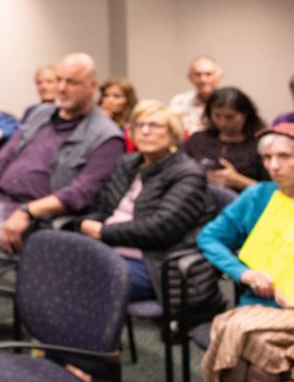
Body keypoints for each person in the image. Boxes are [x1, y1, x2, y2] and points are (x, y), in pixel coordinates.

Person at [0, 52, 125, 254]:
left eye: (71, 82)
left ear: (92, 86)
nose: (60, 88)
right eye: (58, 80)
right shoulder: (40, 114)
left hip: (37, 218)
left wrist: (27, 212)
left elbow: (80, 193)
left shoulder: (107, 136)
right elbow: (0, 163)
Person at [68, 101, 216, 305]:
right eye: (139, 125)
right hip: (107, 249)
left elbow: (160, 228)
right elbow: (102, 207)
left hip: (154, 262)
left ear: (173, 134)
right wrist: (86, 222)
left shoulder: (187, 173)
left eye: (155, 125)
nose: (145, 131)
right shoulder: (127, 163)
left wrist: (103, 232)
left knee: (81, 285)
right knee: (54, 267)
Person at [198, 125, 294, 382]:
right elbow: (210, 237)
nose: (274, 166)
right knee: (245, 360)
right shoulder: (258, 196)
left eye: (285, 157)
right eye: (267, 157)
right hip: (257, 304)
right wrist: (245, 273)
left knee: (244, 349)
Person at [185, 87, 268, 192]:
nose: (222, 123)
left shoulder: (261, 145)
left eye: (230, 117)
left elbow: (276, 192)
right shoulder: (198, 139)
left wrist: (239, 181)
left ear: (245, 115)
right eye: (217, 116)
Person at [170, 55, 224, 135]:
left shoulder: (229, 103)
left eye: (208, 74)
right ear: (190, 77)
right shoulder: (179, 101)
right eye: (198, 74)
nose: (203, 79)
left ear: (219, 77)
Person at [99, 77, 138, 152]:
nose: (109, 100)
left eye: (116, 96)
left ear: (128, 100)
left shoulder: (133, 124)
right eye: (106, 95)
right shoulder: (93, 120)